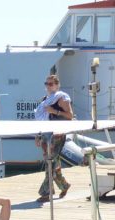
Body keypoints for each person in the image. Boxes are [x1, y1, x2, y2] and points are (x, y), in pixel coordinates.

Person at [34, 74, 73, 202]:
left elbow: (69, 116)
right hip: (46, 133)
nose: (48, 86)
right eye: (47, 84)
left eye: (51, 84)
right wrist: (38, 136)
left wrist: (54, 111)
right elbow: (41, 120)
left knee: (50, 162)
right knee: (51, 161)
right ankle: (64, 185)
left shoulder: (61, 98)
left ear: (57, 85)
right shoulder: (45, 99)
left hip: (57, 134)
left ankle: (46, 192)